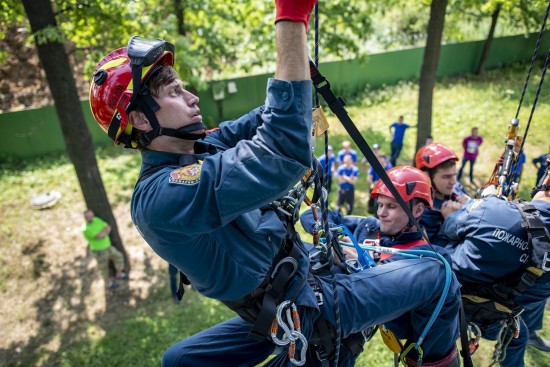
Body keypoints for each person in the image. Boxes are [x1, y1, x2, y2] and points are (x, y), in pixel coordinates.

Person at [89, 4, 460, 365]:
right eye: (173, 93)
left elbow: (264, 120)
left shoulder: (199, 148)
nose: (192, 97)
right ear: (139, 118)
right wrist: (290, 19)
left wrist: (295, 69)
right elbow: (281, 148)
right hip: (310, 307)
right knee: (439, 274)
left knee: (179, 359)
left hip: (285, 298)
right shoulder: (161, 197)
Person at [301, 166, 461, 366]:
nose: (382, 213)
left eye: (391, 207)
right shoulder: (369, 227)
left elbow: (401, 322)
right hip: (315, 300)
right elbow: (311, 215)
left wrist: (355, 261)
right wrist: (336, 241)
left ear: (418, 210)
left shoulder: (425, 259)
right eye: (380, 205)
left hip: (339, 324)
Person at [438, 163, 550, 367]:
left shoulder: (492, 209)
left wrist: (479, 206)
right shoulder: (495, 209)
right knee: (519, 337)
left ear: (547, 180)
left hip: (450, 304)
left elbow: (449, 229)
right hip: (498, 320)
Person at [415, 143, 470, 243]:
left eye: (454, 175)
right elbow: (433, 252)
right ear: (426, 177)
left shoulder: (457, 188)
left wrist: (470, 206)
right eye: (446, 177)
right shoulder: (419, 211)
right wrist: (449, 221)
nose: (453, 181)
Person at [82, 209, 127, 289]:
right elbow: (99, 236)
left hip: (108, 247)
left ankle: (119, 273)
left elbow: (108, 227)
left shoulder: (96, 220)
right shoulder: (86, 229)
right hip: (99, 251)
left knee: (119, 256)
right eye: (88, 217)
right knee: (104, 268)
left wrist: (104, 232)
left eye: (91, 216)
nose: (90, 218)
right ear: (85, 218)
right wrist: (104, 232)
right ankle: (107, 284)